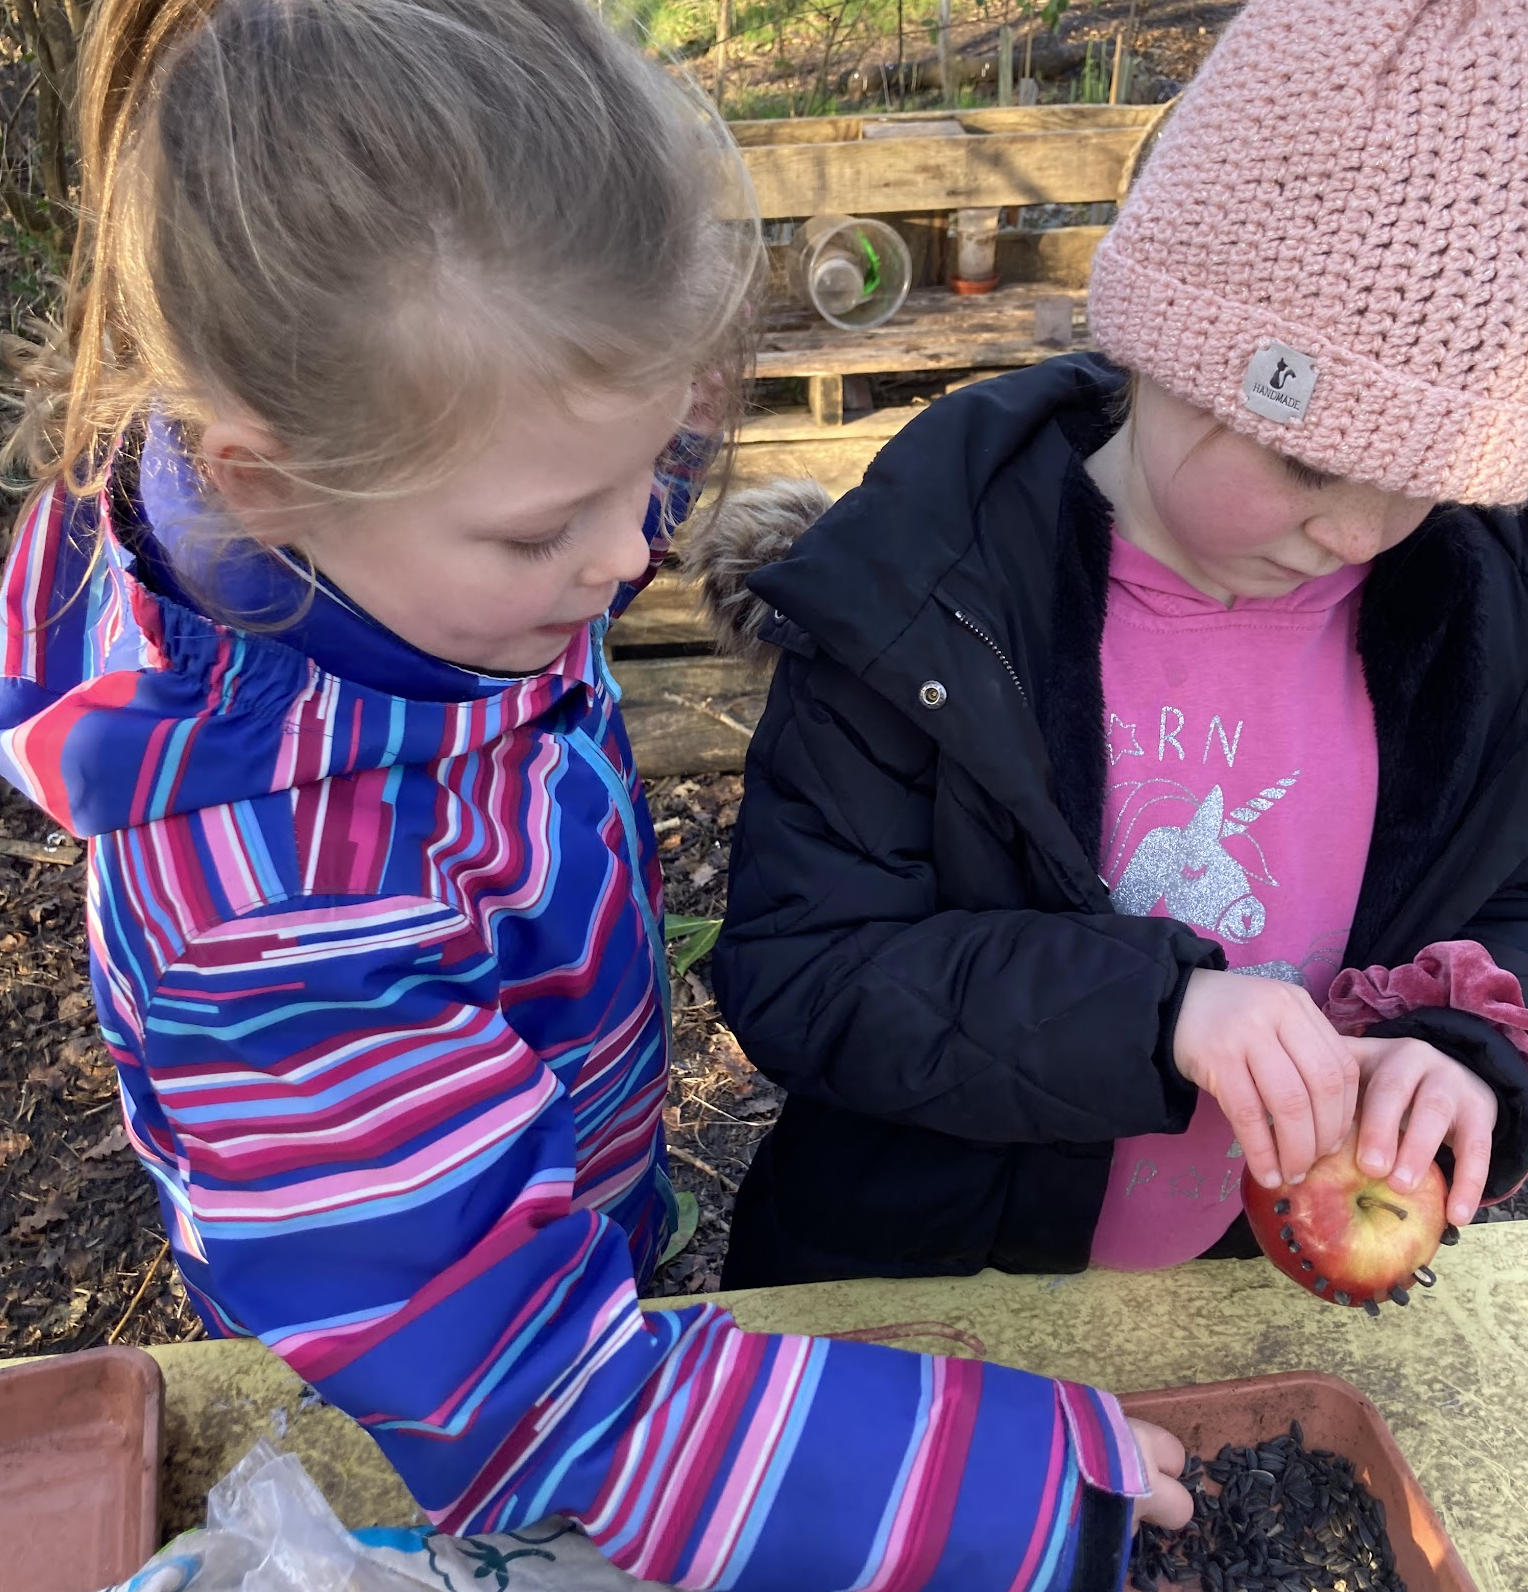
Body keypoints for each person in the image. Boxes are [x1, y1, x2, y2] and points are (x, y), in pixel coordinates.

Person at [0, 0, 1193, 1583]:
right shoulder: (276, 927)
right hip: (405, 1315)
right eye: (555, 524)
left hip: (543, 1143)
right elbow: (536, 1402)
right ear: (261, 477)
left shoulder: (413, 547)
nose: (634, 554)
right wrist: (1020, 1485)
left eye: (658, 468)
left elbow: (573, 473)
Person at [696, 0, 1528, 1293]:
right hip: (942, 1297)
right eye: (1312, 460)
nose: (1359, 530)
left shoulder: (1472, 620)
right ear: (1171, 348)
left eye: (1419, 479)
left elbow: (1510, 897)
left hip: (1248, 1298)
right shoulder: (929, 588)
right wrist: (1155, 1013)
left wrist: (1464, 1036)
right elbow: (806, 968)